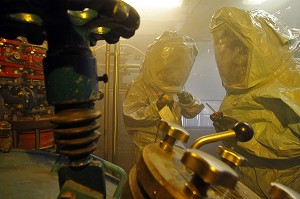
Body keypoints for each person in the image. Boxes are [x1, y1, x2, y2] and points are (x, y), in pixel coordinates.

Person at [210, 7, 300, 198]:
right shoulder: (239, 90)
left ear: (261, 46)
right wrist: (225, 126)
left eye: (239, 48)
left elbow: (290, 145)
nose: (233, 58)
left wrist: (244, 134)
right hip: (240, 181)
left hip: (280, 187)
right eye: (228, 49)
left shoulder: (293, 84)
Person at [123, 31, 204, 158]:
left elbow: (191, 112)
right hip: (146, 145)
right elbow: (131, 116)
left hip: (174, 143)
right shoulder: (141, 83)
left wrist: (189, 101)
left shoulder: (175, 85)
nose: (172, 69)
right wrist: (155, 108)